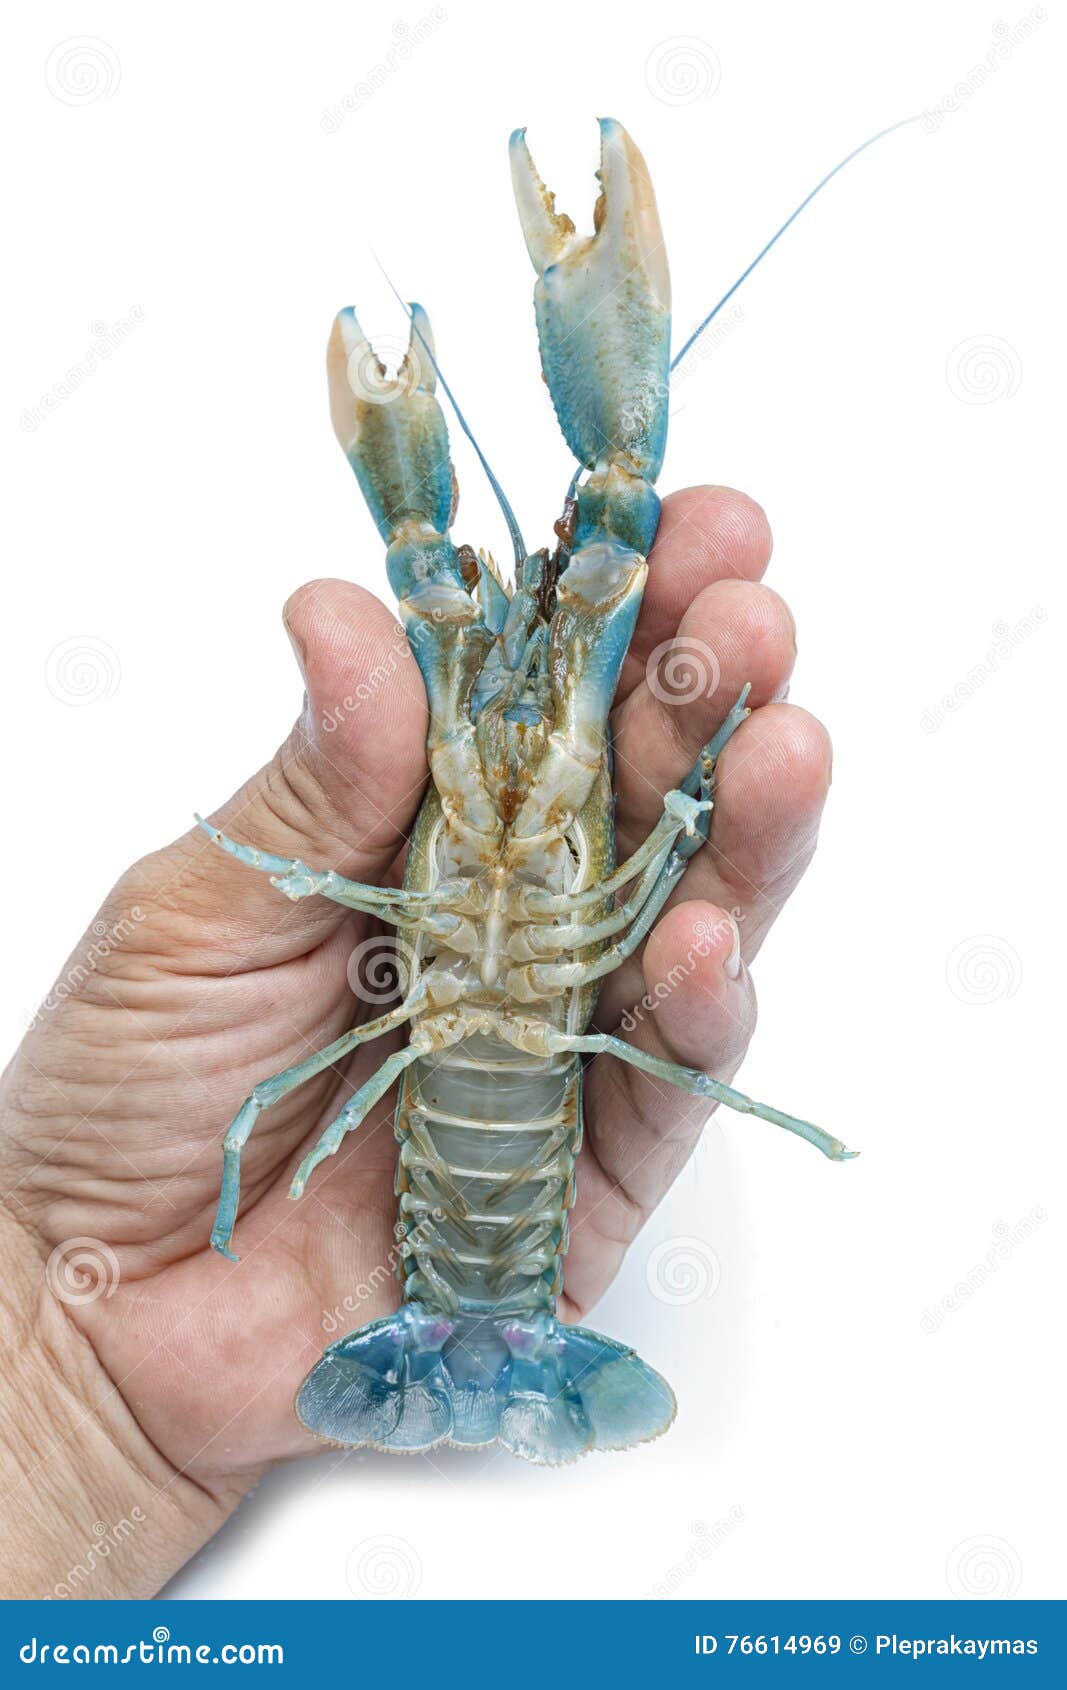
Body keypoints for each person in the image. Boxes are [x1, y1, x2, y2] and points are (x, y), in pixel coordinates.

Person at [0, 485, 832, 1598]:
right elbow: (639, 879)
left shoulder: (471, 766)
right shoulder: (565, 777)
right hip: (501, 1106)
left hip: (458, 1116)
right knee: (670, 927)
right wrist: (69, 1388)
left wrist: (69, 1385)